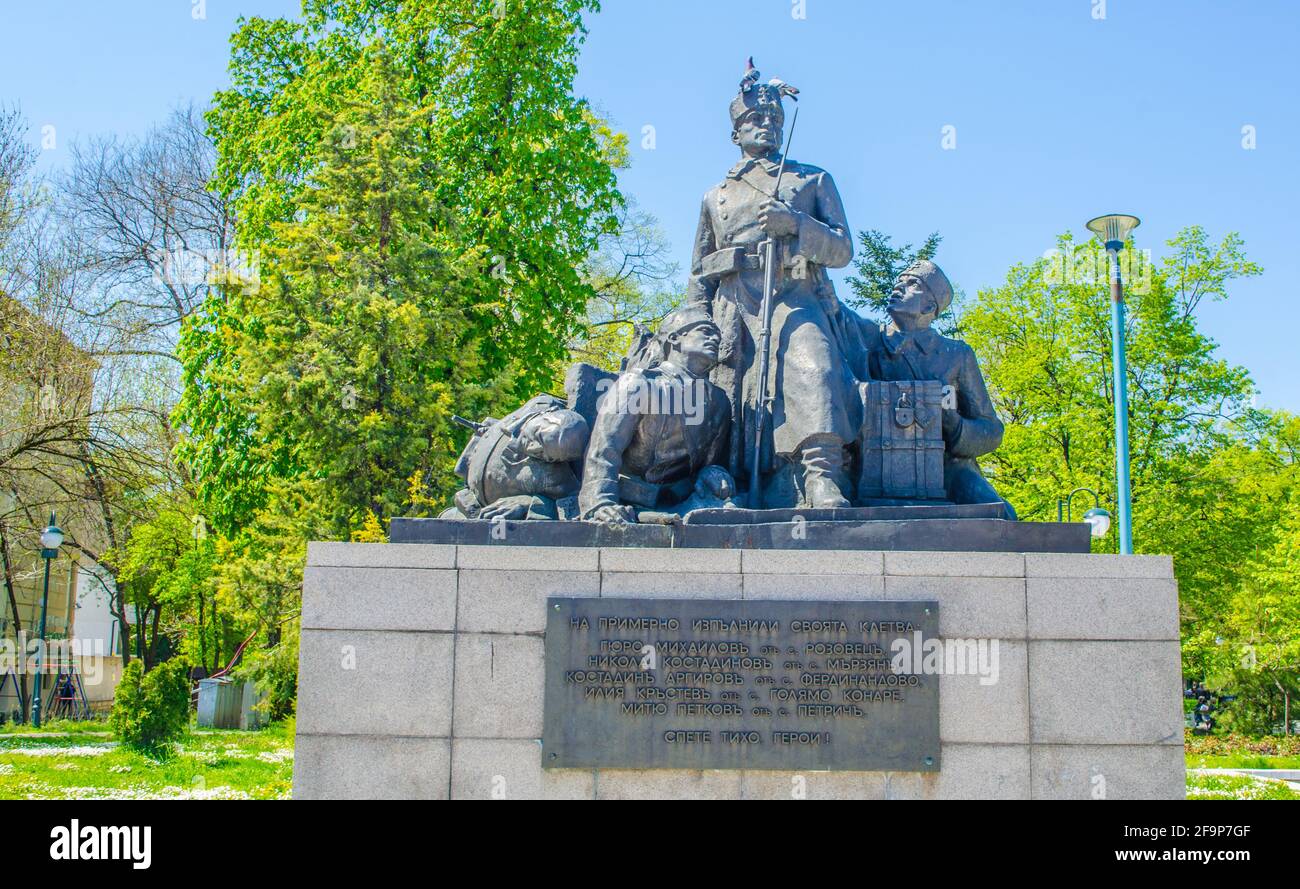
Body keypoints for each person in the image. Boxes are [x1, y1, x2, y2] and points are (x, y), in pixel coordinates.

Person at [685, 61, 861, 508]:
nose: (766, 126)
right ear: (736, 133)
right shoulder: (714, 195)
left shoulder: (812, 179)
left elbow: (842, 250)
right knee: (725, 398)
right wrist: (695, 322)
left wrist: (796, 223)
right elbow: (698, 271)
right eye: (755, 120)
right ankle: (721, 481)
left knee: (815, 366)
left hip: (794, 294)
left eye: (773, 120)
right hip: (732, 305)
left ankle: (822, 474)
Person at [857, 260, 1015, 515]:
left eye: (911, 284)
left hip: (948, 468)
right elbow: (833, 312)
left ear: (930, 306)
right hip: (879, 464)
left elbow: (992, 430)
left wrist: (955, 425)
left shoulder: (956, 355)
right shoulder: (868, 338)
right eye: (899, 281)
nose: (898, 287)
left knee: (999, 514)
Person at [580, 307, 732, 523]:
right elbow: (605, 447)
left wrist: (714, 473)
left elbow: (709, 462)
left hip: (683, 500)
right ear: (675, 338)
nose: (715, 338)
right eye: (705, 331)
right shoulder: (639, 383)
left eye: (717, 334)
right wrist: (601, 503)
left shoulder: (719, 401)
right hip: (628, 500)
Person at [449, 395, 589, 520]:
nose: (534, 448)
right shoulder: (534, 408)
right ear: (545, 415)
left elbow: (580, 508)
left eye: (544, 454)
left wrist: (531, 505)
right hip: (466, 507)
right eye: (540, 437)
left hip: (498, 524)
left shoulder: (554, 476)